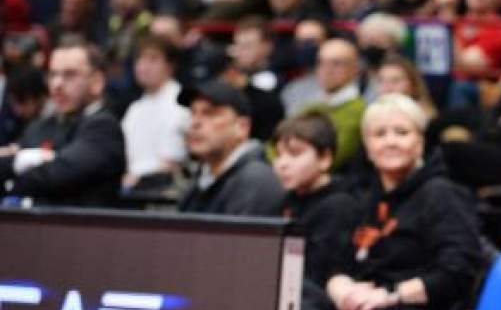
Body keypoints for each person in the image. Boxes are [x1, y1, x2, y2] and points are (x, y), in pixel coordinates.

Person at [321, 94, 482, 310]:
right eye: (379, 134)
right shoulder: (361, 196)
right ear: (367, 148)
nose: (391, 142)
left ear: (420, 143)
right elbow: (335, 263)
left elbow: (458, 273)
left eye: (402, 132)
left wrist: (391, 295)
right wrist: (342, 291)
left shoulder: (441, 193)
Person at [0, 39, 125, 207]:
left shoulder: (103, 128)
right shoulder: (42, 125)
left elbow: (56, 174)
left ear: (97, 82)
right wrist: (20, 160)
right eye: (53, 75)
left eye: (70, 75)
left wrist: (13, 171)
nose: (57, 84)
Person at [273, 113, 360, 287]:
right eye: (279, 154)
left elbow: (319, 275)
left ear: (325, 159)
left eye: (294, 154)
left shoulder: (339, 206)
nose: (282, 164)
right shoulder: (289, 199)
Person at [178, 80, 284, 216]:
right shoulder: (203, 178)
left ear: (242, 127)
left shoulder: (255, 180)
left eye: (210, 113)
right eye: (192, 113)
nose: (195, 122)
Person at [121, 36, 189, 193]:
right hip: (130, 186)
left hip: (161, 191)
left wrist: (134, 180)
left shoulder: (180, 103)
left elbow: (172, 163)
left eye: (153, 59)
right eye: (140, 59)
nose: (144, 66)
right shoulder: (135, 108)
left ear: (170, 66)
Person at [303, 39, 367, 171]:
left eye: (336, 63)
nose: (327, 70)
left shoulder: (360, 111)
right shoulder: (311, 106)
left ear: (355, 69)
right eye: (321, 63)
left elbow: (334, 156)